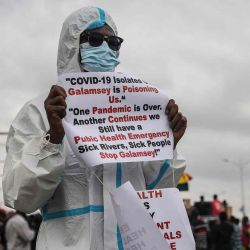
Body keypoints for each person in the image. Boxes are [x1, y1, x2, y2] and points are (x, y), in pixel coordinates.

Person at [2, 6, 187, 250]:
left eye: (113, 42)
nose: (106, 48)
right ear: (72, 44)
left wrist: (166, 145)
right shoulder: (40, 111)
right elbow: (22, 198)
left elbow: (157, 189)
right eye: (95, 39)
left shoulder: (135, 108)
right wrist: (52, 138)